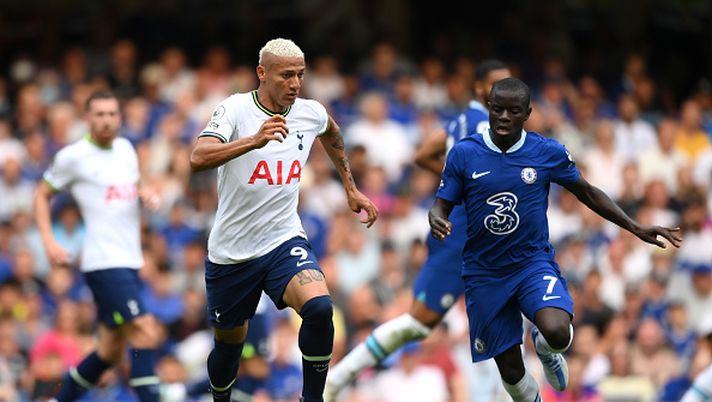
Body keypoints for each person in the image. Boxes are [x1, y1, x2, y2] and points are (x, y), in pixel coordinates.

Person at [429, 77, 682, 402]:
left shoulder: (546, 152)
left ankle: (546, 349)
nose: (504, 117)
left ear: (528, 113)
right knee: (512, 375)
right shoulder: (465, 153)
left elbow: (587, 193)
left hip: (531, 264)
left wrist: (634, 226)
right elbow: (440, 205)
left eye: (513, 111)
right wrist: (437, 219)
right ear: (489, 110)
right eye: (497, 110)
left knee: (559, 333)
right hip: (484, 273)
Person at [188, 38, 378, 402]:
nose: (295, 83)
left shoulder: (309, 112)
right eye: (286, 75)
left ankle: (313, 399)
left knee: (321, 308)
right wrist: (252, 141)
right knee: (229, 348)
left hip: (282, 240)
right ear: (262, 73)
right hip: (233, 253)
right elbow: (198, 156)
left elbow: (332, 133)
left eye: (300, 75)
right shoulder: (236, 109)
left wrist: (350, 189)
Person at [324, 59, 511, 400]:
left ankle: (338, 378)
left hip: (477, 235)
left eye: (510, 84)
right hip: (461, 237)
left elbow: (425, 154)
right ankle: (339, 377)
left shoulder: (462, 121)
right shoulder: (487, 124)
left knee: (512, 314)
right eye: (498, 85)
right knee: (419, 322)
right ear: (479, 89)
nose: (506, 92)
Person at [34, 90, 163, 402]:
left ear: (120, 117)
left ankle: (56, 400)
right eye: (99, 114)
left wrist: (147, 194)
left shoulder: (125, 149)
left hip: (129, 260)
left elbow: (135, 185)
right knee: (145, 329)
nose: (106, 120)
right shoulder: (74, 156)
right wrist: (49, 241)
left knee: (109, 350)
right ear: (88, 118)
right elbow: (41, 194)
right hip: (103, 262)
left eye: (112, 114)